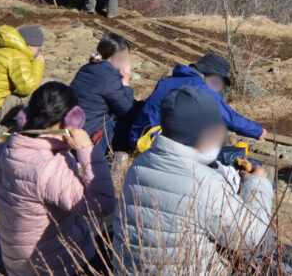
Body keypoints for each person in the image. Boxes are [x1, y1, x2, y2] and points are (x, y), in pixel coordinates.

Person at [113, 86, 274, 275]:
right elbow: (254, 237)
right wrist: (256, 184)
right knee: (279, 250)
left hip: (128, 270)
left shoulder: (141, 163)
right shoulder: (206, 183)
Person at [0, 82, 115, 276]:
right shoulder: (52, 166)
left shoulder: (2, 152)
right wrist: (87, 150)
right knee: (114, 230)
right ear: (72, 120)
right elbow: (101, 205)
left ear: (26, 117)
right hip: (56, 266)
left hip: (15, 264)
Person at [128, 53, 266, 149]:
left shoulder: (167, 81)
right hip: (155, 144)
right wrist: (258, 131)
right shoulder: (202, 87)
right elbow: (228, 117)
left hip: (137, 137)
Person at [69, 32, 141, 154]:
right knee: (130, 123)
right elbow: (128, 112)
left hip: (74, 131)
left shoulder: (86, 68)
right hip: (91, 138)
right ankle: (122, 155)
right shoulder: (109, 77)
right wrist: (126, 82)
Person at [0, 25, 46, 128]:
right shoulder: (18, 56)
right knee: (45, 85)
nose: (37, 52)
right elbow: (26, 89)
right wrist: (38, 64)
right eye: (38, 49)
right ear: (30, 45)